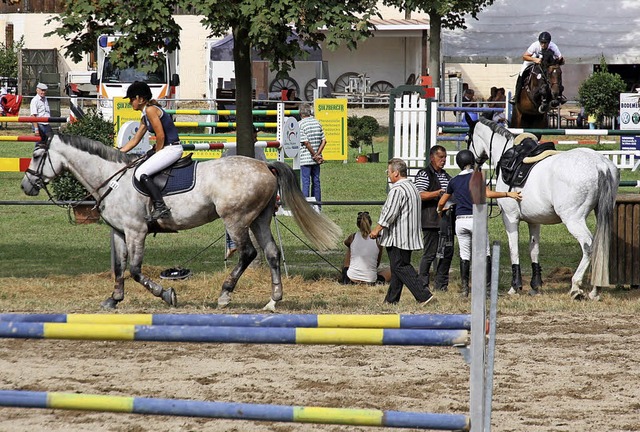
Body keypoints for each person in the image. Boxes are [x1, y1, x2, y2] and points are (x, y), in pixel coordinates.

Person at [437, 150, 522, 297]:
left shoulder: (454, 181)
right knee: (486, 254)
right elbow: (488, 194)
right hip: (476, 220)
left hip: (460, 222)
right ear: (472, 162)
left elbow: (442, 202)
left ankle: (465, 289)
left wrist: (440, 210)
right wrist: (509, 194)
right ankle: (488, 289)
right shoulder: (476, 177)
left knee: (464, 255)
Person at [370, 158, 435, 305]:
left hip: (397, 236)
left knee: (401, 266)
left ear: (396, 173)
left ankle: (424, 295)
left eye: (389, 172)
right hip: (409, 235)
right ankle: (391, 300)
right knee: (397, 268)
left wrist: (377, 229)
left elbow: (390, 214)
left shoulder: (397, 190)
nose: (388, 175)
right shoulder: (413, 188)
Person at [119, 81, 183, 221]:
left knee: (141, 172)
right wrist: (118, 151)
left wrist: (157, 152)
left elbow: (160, 135)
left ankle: (161, 207)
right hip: (166, 148)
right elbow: (135, 140)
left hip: (172, 148)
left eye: (131, 99)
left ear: (140, 99)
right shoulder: (144, 116)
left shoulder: (150, 110)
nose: (130, 103)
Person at [414, 145, 453, 292]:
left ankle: (441, 285)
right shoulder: (424, 174)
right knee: (429, 254)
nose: (443, 160)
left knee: (446, 253)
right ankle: (422, 284)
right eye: (440, 157)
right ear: (432, 157)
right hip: (430, 220)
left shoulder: (446, 176)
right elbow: (419, 194)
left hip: (445, 221)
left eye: (445, 157)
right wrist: (437, 194)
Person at [224, 126, 266, 259]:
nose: (256, 139)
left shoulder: (230, 150)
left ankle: (232, 243)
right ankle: (234, 243)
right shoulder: (233, 149)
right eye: (254, 137)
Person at [510, 31, 566, 105]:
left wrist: (558, 61)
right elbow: (525, 56)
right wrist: (535, 60)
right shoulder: (535, 45)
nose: (543, 45)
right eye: (541, 42)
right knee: (522, 73)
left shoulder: (553, 47)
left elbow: (561, 58)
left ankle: (559, 95)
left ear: (549, 42)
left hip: (545, 63)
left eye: (545, 43)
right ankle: (516, 96)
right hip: (532, 60)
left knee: (556, 73)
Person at [341, 211, 391, 285]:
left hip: (350, 279)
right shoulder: (378, 240)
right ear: (370, 223)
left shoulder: (352, 237)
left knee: (350, 247)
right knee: (391, 270)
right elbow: (377, 263)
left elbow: (345, 243)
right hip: (371, 281)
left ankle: (351, 272)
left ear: (357, 225)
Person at [298, 103, 326, 209]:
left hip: (305, 158)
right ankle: (317, 205)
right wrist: (318, 155)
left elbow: (306, 143)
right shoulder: (317, 122)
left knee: (306, 182)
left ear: (300, 113)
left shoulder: (300, 124)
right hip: (317, 160)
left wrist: (314, 155)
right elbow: (324, 141)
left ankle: (306, 206)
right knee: (316, 181)